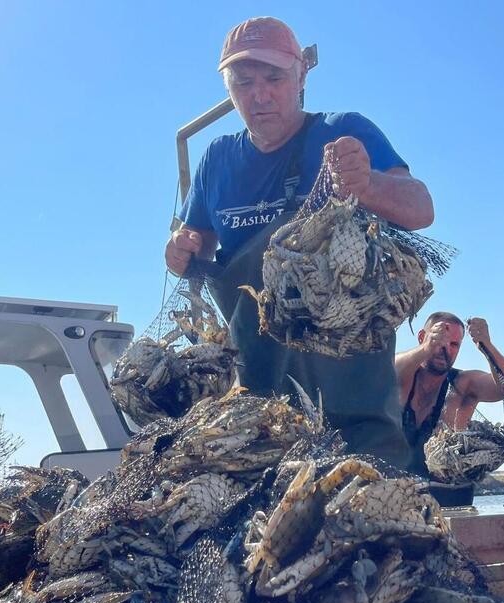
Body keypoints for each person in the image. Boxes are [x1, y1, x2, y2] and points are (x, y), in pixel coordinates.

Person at [164, 17, 434, 469]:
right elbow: (200, 247)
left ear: (301, 75)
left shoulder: (342, 129)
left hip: (354, 406)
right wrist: (181, 249)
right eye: (243, 81)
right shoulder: (217, 158)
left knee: (367, 518)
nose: (259, 94)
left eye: (273, 78)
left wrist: (366, 183)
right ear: (229, 87)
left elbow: (421, 208)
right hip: (257, 414)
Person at [394, 312, 504, 505]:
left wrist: (486, 345)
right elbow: (389, 369)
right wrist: (427, 348)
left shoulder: (462, 385)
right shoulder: (403, 376)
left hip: (451, 500)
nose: (445, 349)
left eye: (454, 345)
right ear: (421, 337)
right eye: (439, 340)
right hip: (399, 500)